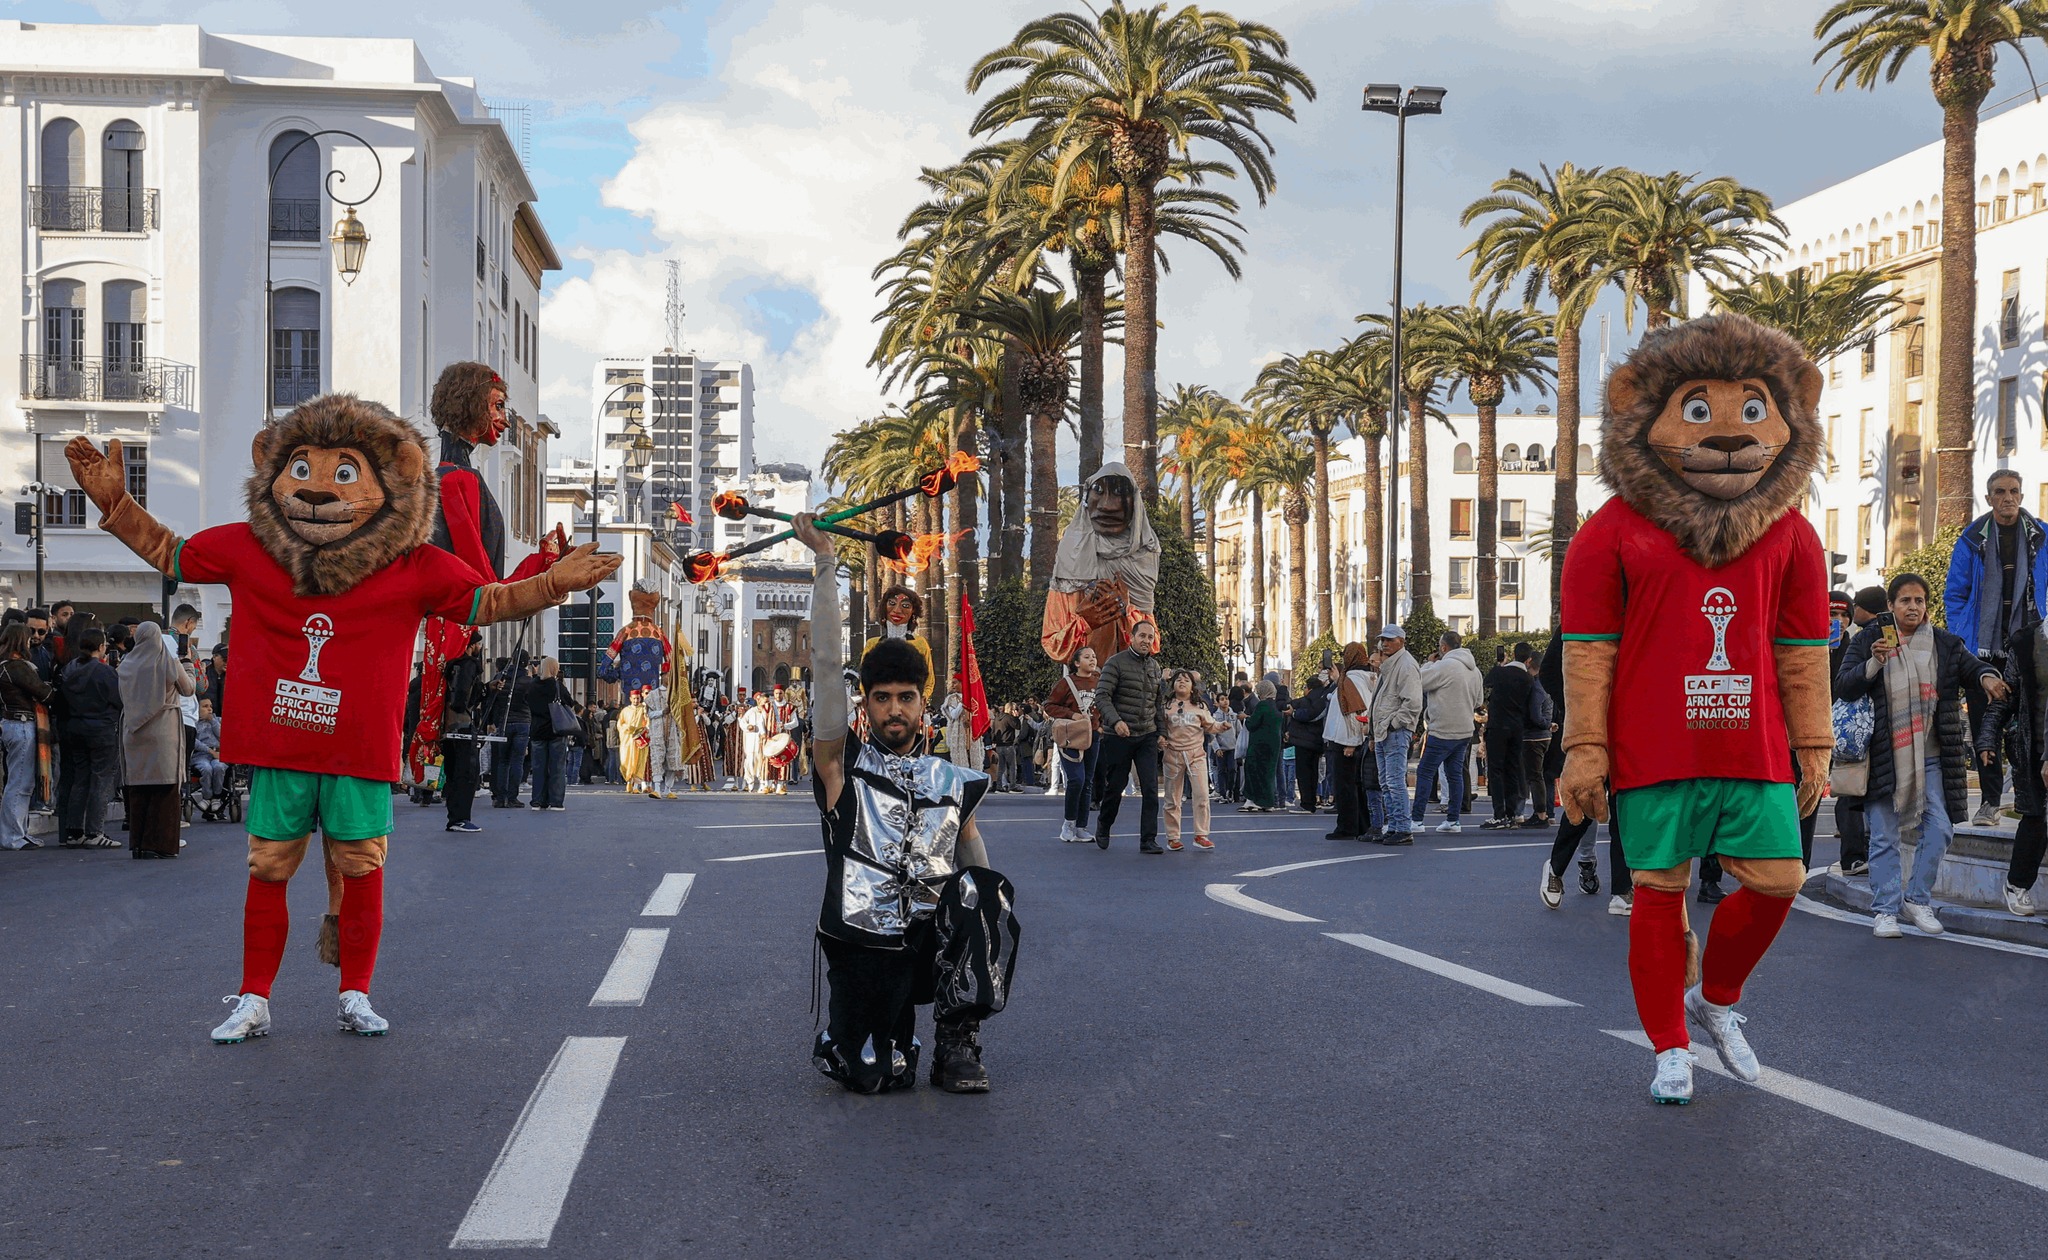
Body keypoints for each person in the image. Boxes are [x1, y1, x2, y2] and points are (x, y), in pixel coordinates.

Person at [799, 514, 1013, 1095]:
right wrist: (823, 564)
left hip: (927, 941)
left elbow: (978, 866)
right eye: (882, 698)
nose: (895, 708)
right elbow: (823, 670)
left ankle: (956, 1039)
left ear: (924, 703)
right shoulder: (841, 769)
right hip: (862, 945)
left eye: (907, 698)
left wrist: (984, 919)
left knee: (987, 893)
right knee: (874, 1075)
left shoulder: (952, 778)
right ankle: (874, 1036)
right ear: (865, 706)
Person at [1837, 573, 2005, 938]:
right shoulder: (1870, 639)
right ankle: (1885, 910)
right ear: (1891, 606)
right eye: (1905, 601)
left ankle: (1917, 898)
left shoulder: (1943, 643)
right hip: (1884, 755)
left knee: (1941, 829)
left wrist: (1987, 677)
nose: (1913, 607)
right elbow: (1844, 685)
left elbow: (1971, 666)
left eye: (1919, 601)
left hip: (1930, 757)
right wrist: (1874, 664)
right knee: (1883, 837)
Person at [1944, 468, 2048, 826]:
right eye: (2000, 492)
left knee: (2030, 726)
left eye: (2015, 491)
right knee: (1985, 725)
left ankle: (2028, 801)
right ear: (1988, 499)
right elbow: (1955, 595)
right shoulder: (1971, 539)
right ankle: (1989, 802)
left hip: (2031, 649)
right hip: (1982, 652)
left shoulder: (2042, 536)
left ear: (2022, 495)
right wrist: (1965, 642)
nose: (2008, 498)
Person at [1976, 609, 2048, 916]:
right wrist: (1987, 738)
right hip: (2032, 748)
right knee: (2036, 819)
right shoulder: (2027, 642)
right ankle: (2018, 885)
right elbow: (2007, 696)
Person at [118, 622, 196, 859]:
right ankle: (161, 843)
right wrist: (188, 663)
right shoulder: (167, 662)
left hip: (133, 732)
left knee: (139, 790)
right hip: (163, 731)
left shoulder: (126, 665)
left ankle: (139, 844)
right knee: (165, 788)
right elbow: (189, 689)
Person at [1091, 619, 1165, 853]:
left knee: (1151, 788)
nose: (1146, 641)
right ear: (1131, 637)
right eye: (1142, 636)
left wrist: (1161, 732)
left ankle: (1148, 840)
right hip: (1119, 736)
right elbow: (1101, 697)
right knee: (1115, 786)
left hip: (1147, 736)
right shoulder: (1115, 663)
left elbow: (1158, 704)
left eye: (1150, 637)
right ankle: (1103, 825)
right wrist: (1116, 721)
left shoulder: (1155, 667)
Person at [1830, 586, 1887, 876]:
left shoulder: (1858, 640)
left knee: (1856, 790)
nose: (1839, 620)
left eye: (1845, 614)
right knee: (1848, 790)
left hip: (1860, 727)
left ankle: (1857, 854)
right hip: (1834, 728)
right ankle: (1852, 855)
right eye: (1832, 613)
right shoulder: (1816, 644)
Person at [1415, 631, 1484, 835]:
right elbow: (1479, 701)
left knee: (1425, 772)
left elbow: (1418, 681)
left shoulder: (1444, 666)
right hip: (1464, 729)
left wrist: (1429, 664)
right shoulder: (1475, 670)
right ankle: (1453, 820)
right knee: (1455, 774)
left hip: (1443, 729)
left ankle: (1417, 820)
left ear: (1443, 647)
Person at [56, 628, 121, 849]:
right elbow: (120, 699)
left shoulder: (69, 670)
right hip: (101, 728)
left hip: (75, 727)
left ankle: (74, 831)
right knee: (101, 779)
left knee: (80, 778)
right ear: (101, 647)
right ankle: (95, 831)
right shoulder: (105, 672)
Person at [1368, 626, 1423, 845]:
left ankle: (1402, 827)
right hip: (1385, 731)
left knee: (1394, 781)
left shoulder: (1406, 665)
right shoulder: (1392, 665)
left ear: (1401, 641)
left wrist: (1392, 724)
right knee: (1387, 782)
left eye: (1390, 640)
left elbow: (1413, 703)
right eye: (1383, 640)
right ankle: (1395, 826)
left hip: (1395, 732)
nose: (1385, 644)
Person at [0, 623, 53, 849]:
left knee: (21, 783)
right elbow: (44, 693)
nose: (33, 639)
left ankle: (18, 833)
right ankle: (13, 836)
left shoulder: (7, 666)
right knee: (20, 784)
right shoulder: (17, 667)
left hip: (14, 723)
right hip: (21, 724)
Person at [1160, 669, 1223, 851]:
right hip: (1172, 755)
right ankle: (1173, 837)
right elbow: (1160, 727)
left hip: (1196, 755)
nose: (1182, 682)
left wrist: (1222, 727)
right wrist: (1160, 739)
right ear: (1172, 685)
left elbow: (1211, 725)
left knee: (1202, 795)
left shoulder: (1200, 706)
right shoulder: (1166, 705)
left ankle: (1201, 834)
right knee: (1172, 799)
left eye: (1186, 680)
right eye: (1178, 679)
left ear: (1192, 687)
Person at [1045, 647, 1102, 842]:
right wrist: (1072, 715)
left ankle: (1081, 827)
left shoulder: (1099, 682)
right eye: (1087, 657)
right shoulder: (1066, 683)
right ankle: (1068, 823)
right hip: (1072, 736)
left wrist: (1101, 724)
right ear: (1077, 663)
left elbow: (1105, 704)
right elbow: (1050, 705)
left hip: (1093, 735)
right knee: (1076, 779)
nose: (1092, 660)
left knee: (1087, 781)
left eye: (1094, 657)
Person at [1322, 641, 1374, 840]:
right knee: (1355, 786)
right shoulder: (1360, 678)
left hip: (1346, 741)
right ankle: (1361, 825)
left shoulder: (1352, 680)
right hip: (1353, 739)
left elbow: (1354, 711)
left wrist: (1351, 742)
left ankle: (1347, 827)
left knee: (1345, 786)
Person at [1481, 643, 1535, 829]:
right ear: (1528, 660)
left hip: (1497, 726)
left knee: (1496, 770)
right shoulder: (1528, 679)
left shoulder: (1500, 672)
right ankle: (1512, 813)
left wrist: (1499, 664)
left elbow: (1486, 681)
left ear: (1513, 654)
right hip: (1517, 728)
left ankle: (1499, 814)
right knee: (1512, 769)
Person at [441, 637, 485, 832]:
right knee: (467, 773)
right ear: (471, 646)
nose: (480, 647)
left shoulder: (451, 666)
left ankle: (455, 816)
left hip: (449, 726)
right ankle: (460, 818)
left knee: (453, 772)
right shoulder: (469, 665)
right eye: (478, 644)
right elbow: (463, 695)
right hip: (463, 725)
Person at [864, 586, 936, 700]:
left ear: (913, 612)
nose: (897, 610)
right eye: (892, 603)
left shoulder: (920, 644)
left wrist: (918, 702)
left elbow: (929, 682)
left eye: (905, 606)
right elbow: (864, 682)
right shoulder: (872, 644)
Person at [526, 657, 572, 811]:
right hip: (555, 730)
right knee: (557, 767)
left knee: (539, 767)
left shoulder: (532, 685)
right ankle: (556, 801)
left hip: (537, 731)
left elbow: (528, 702)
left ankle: (538, 801)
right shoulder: (557, 686)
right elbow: (569, 702)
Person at [1287, 664, 1332, 814]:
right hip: (1316, 741)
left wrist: (1294, 714)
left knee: (1304, 773)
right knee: (1313, 772)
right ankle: (1312, 800)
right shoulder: (1323, 696)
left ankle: (1307, 803)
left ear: (1309, 688)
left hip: (1304, 740)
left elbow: (1309, 714)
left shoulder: (1309, 700)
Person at [1522, 650, 1556, 827]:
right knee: (1542, 776)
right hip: (1545, 736)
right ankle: (1545, 812)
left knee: (1535, 777)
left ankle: (1540, 813)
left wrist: (1545, 724)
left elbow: (1535, 715)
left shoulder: (1535, 687)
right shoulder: (1547, 684)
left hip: (1534, 737)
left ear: (1529, 663)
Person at [1241, 679, 1283, 813]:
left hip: (1259, 744)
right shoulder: (1276, 706)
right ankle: (1268, 801)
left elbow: (1252, 724)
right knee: (1268, 773)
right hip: (1274, 744)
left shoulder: (1262, 705)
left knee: (1254, 769)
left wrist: (1245, 718)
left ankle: (1253, 800)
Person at [192, 698, 228, 807]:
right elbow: (193, 741)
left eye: (211, 706)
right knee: (206, 769)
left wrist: (212, 721)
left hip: (218, 754)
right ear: (197, 709)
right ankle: (207, 797)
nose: (209, 709)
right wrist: (210, 751)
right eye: (205, 706)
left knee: (219, 767)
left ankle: (216, 797)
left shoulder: (217, 720)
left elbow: (222, 736)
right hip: (201, 755)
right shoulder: (194, 723)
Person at [618, 689, 651, 792]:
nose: (636, 700)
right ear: (630, 699)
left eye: (638, 698)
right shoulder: (625, 711)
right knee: (626, 761)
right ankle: (629, 781)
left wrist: (645, 730)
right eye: (634, 699)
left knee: (639, 763)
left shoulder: (644, 709)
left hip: (640, 740)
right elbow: (620, 724)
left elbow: (648, 722)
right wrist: (627, 728)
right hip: (628, 740)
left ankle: (636, 786)